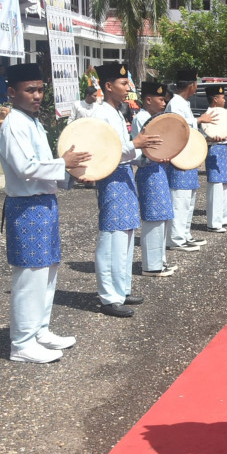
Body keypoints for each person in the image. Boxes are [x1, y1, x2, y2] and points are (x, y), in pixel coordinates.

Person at [0, 63, 88, 364]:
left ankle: (39, 331)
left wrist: (71, 172)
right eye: (30, 90)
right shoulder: (14, 125)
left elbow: (45, 165)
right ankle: (21, 343)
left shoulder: (33, 122)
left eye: (40, 89)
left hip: (43, 205)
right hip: (26, 208)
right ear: (12, 92)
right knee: (30, 276)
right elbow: (25, 169)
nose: (37, 95)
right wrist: (64, 163)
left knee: (47, 271)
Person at [90, 62, 162, 317]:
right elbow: (103, 151)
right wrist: (135, 143)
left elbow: (126, 150)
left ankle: (122, 289)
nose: (127, 88)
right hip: (111, 179)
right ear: (108, 86)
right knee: (112, 238)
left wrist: (144, 154)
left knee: (127, 235)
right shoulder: (100, 114)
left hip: (124, 176)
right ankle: (109, 297)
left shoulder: (116, 112)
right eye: (122, 84)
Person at [132, 81, 178, 278]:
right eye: (160, 98)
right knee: (153, 217)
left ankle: (159, 261)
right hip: (148, 170)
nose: (164, 102)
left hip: (157, 169)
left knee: (161, 215)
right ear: (148, 99)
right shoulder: (142, 118)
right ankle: (151, 265)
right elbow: (142, 151)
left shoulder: (152, 117)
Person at [164, 69, 208, 253]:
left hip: (188, 155)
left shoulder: (183, 102)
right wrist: (199, 120)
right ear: (191, 85)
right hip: (179, 157)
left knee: (189, 198)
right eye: (196, 83)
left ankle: (185, 234)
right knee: (179, 198)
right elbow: (176, 126)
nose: (196, 87)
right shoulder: (175, 103)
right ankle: (175, 239)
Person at [202, 84, 227, 233]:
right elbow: (204, 135)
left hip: (223, 149)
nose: (224, 99)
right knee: (215, 185)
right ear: (215, 99)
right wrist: (210, 139)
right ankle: (213, 222)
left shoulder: (223, 114)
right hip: (214, 149)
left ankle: (223, 219)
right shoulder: (208, 115)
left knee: (225, 184)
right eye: (222, 97)